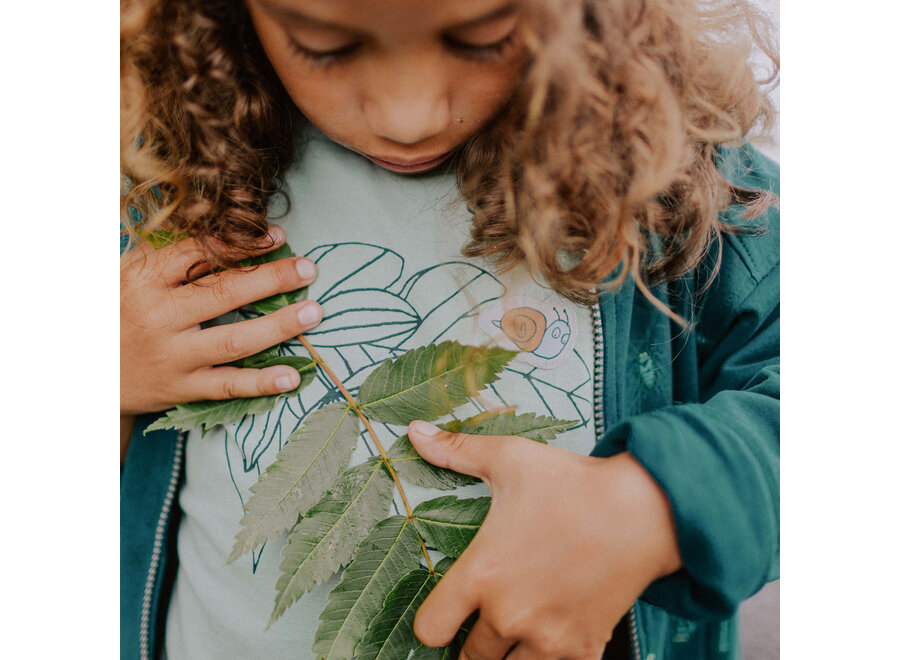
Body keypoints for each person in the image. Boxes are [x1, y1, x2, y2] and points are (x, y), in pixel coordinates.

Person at [120, 0, 779, 659]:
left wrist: (655, 506)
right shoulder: (150, 169)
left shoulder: (676, 172)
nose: (408, 116)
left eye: (481, 40)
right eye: (323, 46)